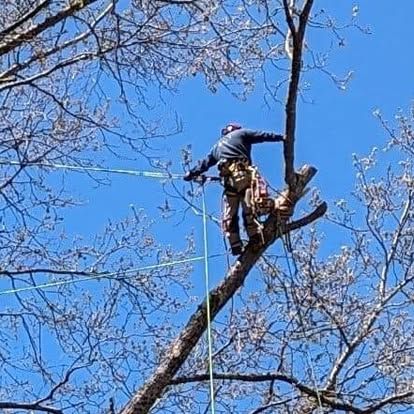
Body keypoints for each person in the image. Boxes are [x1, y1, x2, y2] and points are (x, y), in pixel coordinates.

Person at [184, 123, 284, 255]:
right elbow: (262, 135)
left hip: (230, 183)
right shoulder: (242, 133)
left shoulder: (216, 147)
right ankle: (255, 236)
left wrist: (191, 173)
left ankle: (235, 244)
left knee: (230, 216)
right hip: (243, 176)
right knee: (250, 209)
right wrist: (281, 137)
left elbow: (204, 164)